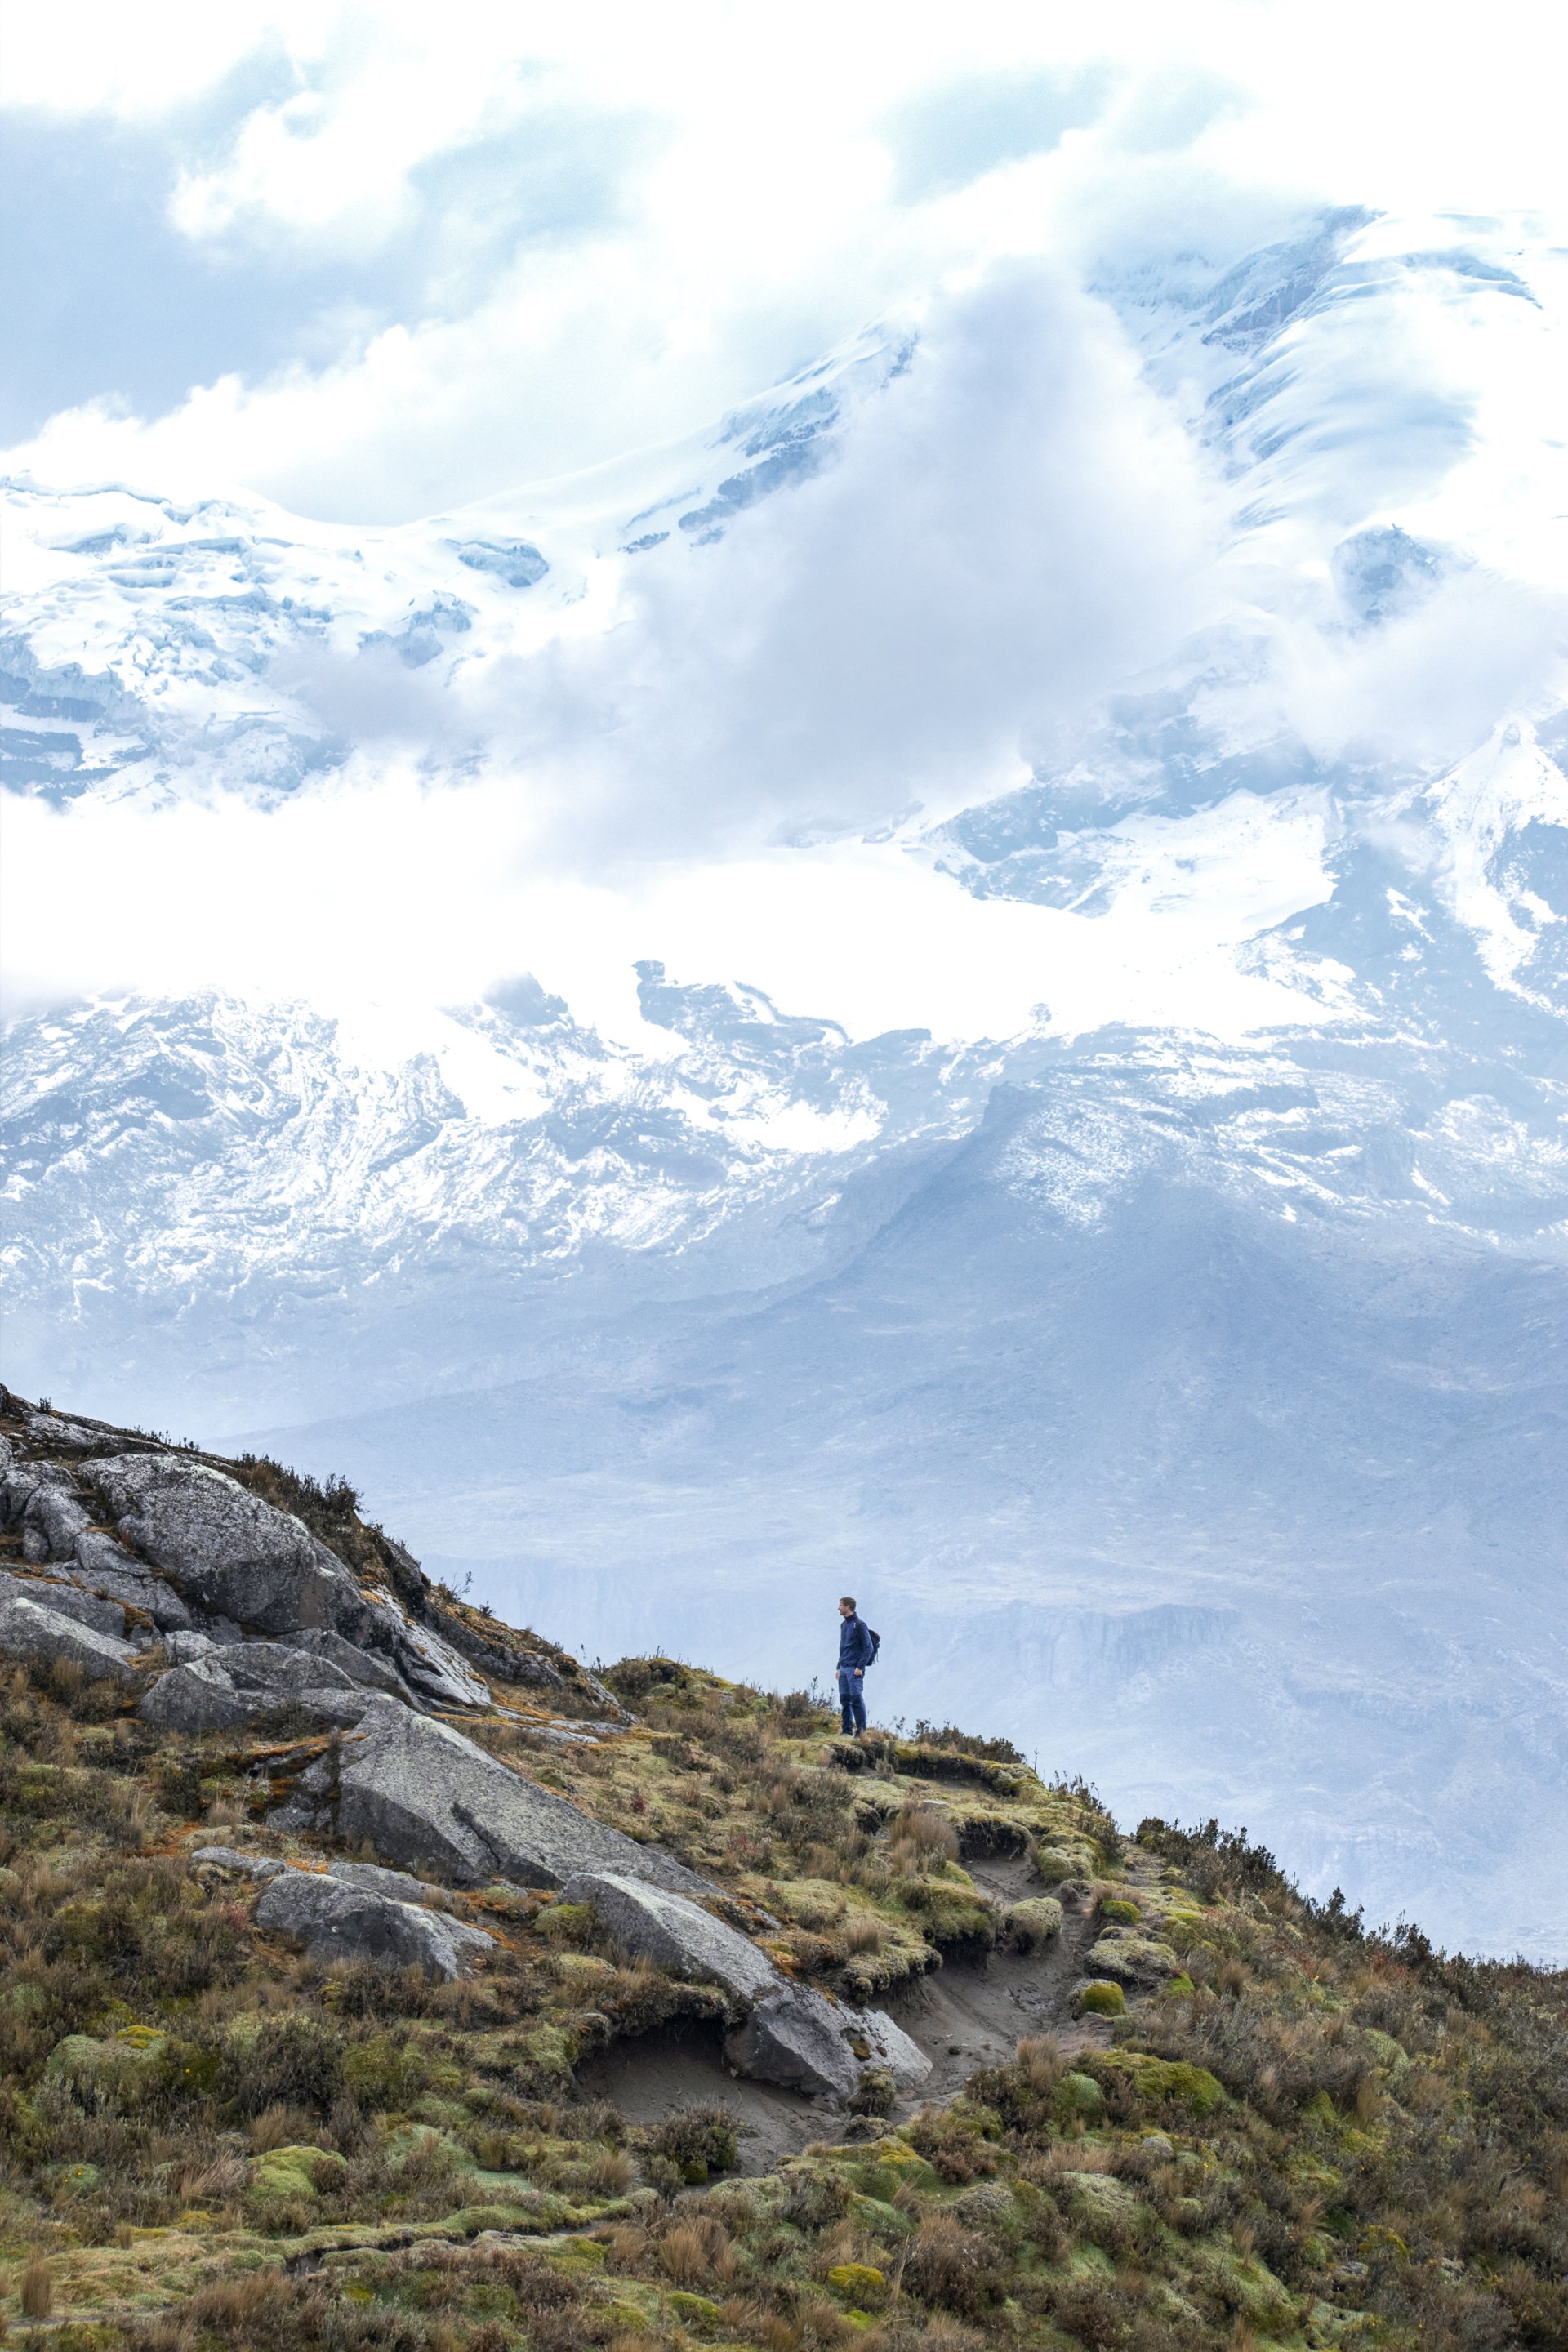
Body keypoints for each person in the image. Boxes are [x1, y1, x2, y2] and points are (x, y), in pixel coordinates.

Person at [836, 1595, 873, 1735]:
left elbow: (868, 1647)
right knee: (844, 1700)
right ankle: (846, 1731)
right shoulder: (844, 1625)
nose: (838, 1608)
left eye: (840, 1605)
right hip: (844, 1668)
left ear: (848, 1607)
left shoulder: (859, 1625)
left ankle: (861, 1732)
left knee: (856, 1699)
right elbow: (843, 1647)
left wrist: (860, 1667)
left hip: (854, 1670)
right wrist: (838, 1667)